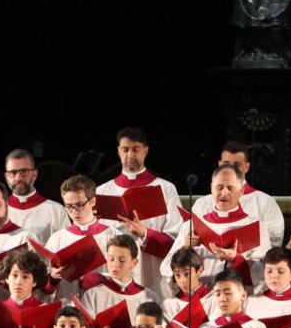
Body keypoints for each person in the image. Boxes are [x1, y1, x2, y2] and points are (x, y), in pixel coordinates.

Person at [94, 127, 185, 298]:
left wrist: (145, 234)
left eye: (135, 149)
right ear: (118, 151)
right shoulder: (102, 192)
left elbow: (177, 240)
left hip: (152, 273)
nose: (130, 155)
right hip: (115, 277)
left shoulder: (165, 189)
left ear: (146, 151)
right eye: (125, 149)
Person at [163, 163, 269, 284]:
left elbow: (265, 272)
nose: (224, 193)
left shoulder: (257, 227)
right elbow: (166, 270)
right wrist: (184, 247)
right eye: (219, 187)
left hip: (235, 296)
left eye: (230, 188)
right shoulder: (191, 226)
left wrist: (236, 259)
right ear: (211, 188)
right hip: (199, 297)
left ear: (241, 190)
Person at [189, 142, 285, 247]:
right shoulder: (202, 204)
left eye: (236, 165)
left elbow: (274, 241)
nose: (231, 169)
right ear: (219, 164)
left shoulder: (265, 202)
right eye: (226, 164)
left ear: (247, 167)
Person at [43, 174, 121, 301]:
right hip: (67, 309)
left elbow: (124, 277)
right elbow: (45, 289)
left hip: (102, 303)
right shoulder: (56, 239)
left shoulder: (113, 236)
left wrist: (91, 279)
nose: (74, 211)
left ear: (92, 201)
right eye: (68, 206)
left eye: (79, 205)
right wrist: (53, 277)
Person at [74, 235, 156, 328]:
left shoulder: (149, 297)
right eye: (111, 259)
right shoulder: (93, 295)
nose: (115, 264)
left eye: (122, 260)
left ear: (134, 263)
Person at [4, 149, 68, 242]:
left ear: (34, 174)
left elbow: (66, 247)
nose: (18, 178)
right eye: (13, 172)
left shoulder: (56, 210)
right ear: (6, 177)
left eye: (24, 171)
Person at [161, 248, 220, 328]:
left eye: (187, 274)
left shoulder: (214, 299)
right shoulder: (169, 304)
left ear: (200, 271)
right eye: (177, 275)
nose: (182, 280)